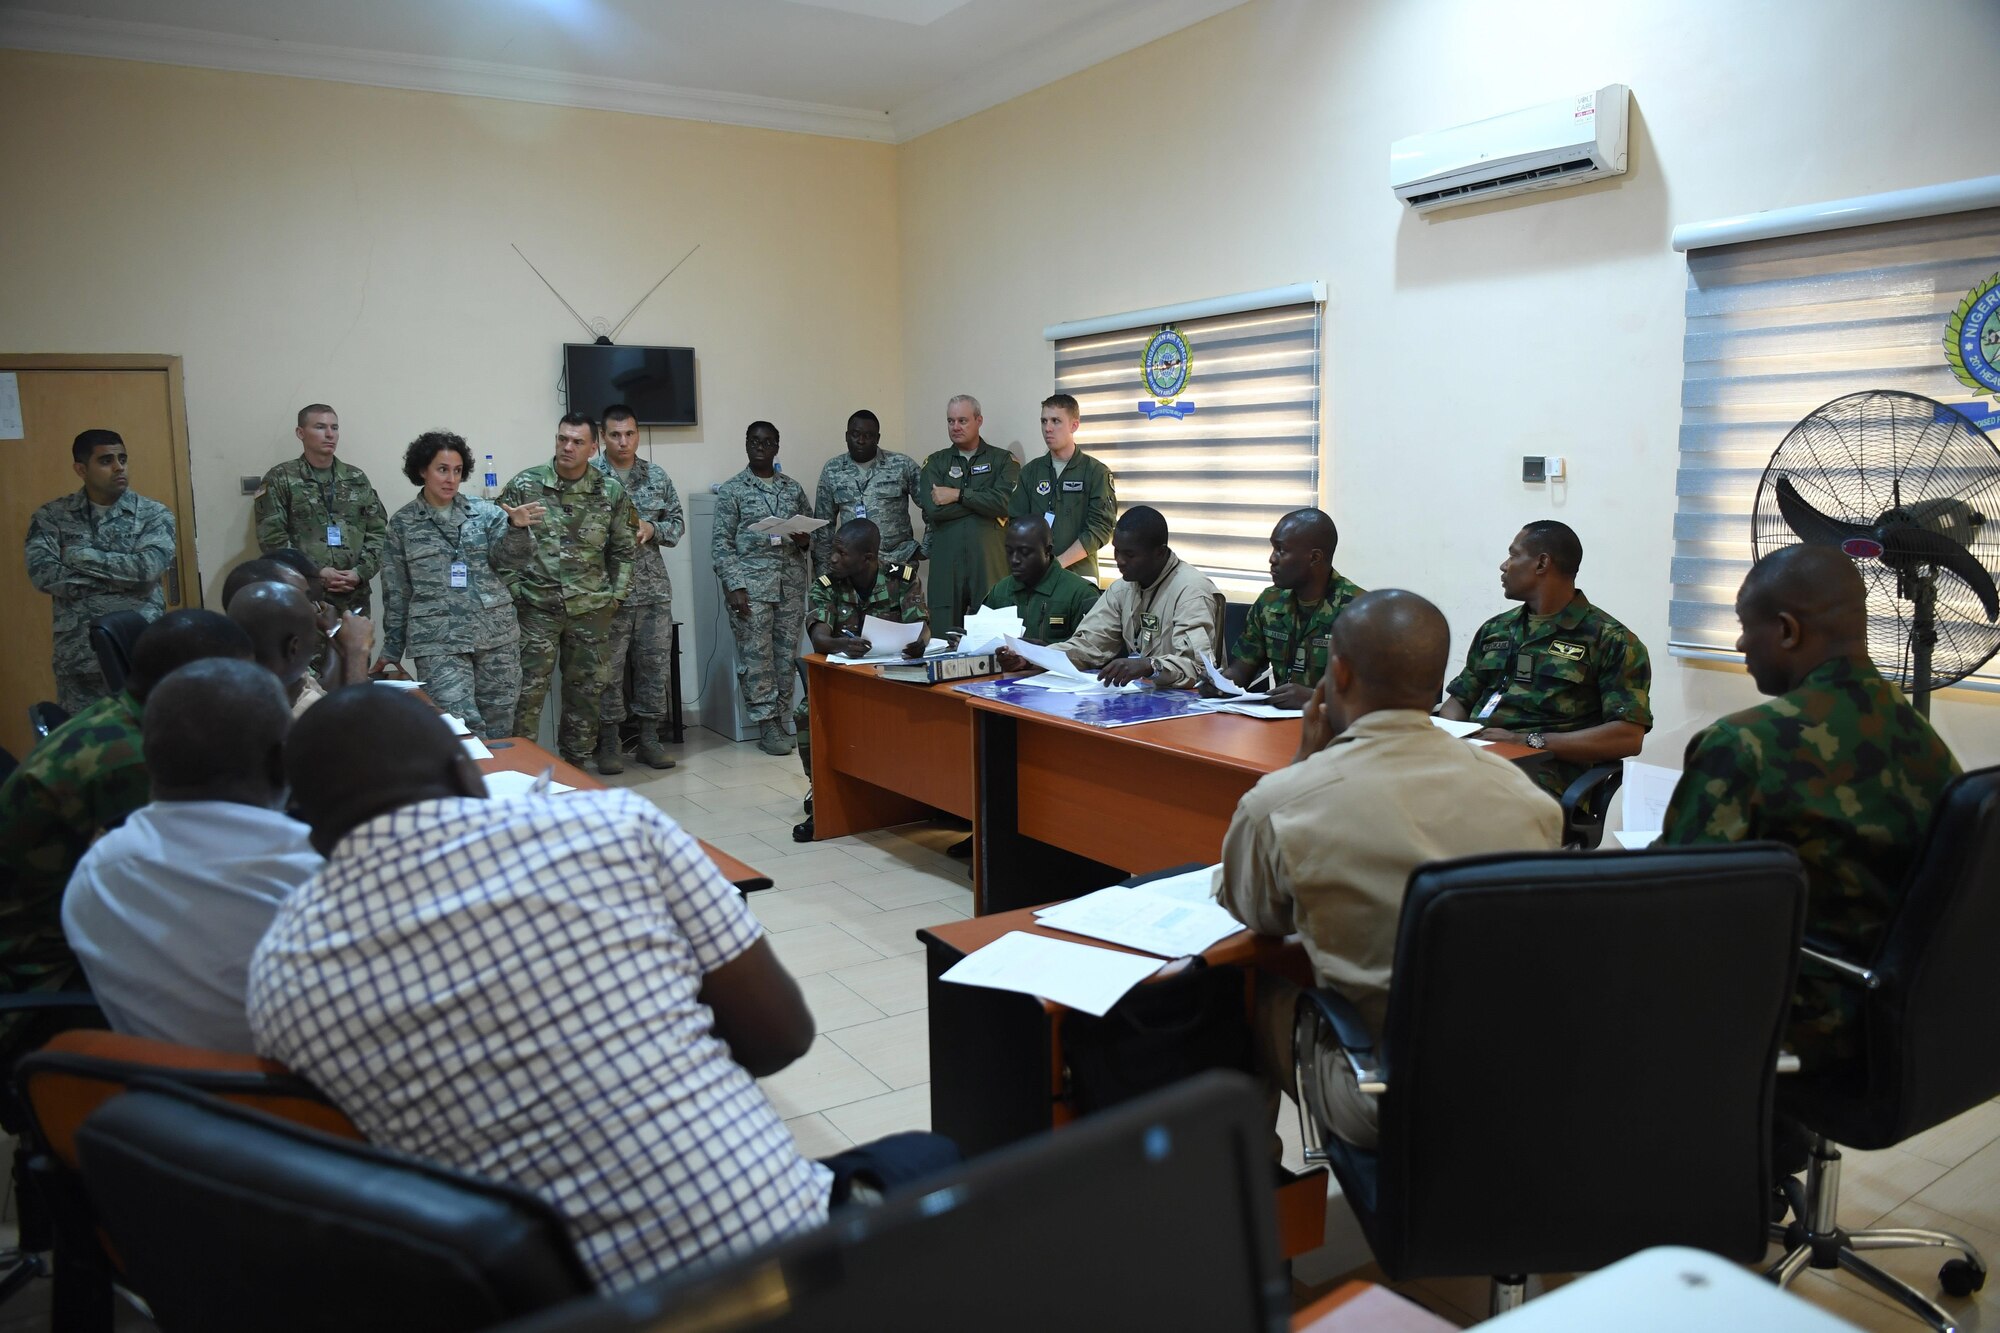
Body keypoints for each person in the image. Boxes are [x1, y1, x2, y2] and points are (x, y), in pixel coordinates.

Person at [248, 687, 958, 1292]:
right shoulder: (609, 824)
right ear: (465, 772)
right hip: (773, 1265)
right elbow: (780, 1038)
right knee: (934, 1158)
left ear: (307, 826)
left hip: (552, 1303)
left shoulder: (283, 970)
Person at [1217, 590, 1563, 1149]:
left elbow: (1253, 912)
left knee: (1232, 986)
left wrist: (1306, 763)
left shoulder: (1286, 800)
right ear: (1436, 684)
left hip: (1381, 1092)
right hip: (1509, 1075)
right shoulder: (1527, 797)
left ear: (1339, 675)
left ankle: (1256, 1199)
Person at [1660, 545, 1960, 1071]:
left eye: (1744, 626)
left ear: (1787, 631)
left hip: (1809, 1020)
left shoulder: (1744, 744)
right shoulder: (1922, 739)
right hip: (1916, 1017)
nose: (1738, 643)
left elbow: (1674, 902)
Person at [62, 658, 318, 1052]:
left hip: (157, 1100)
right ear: (281, 761)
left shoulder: (94, 874)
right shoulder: (317, 873)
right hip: (298, 1102)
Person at [0, 610, 255, 999]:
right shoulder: (129, 762)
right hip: (45, 977)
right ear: (199, 685)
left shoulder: (122, 720)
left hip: (72, 942)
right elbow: (187, 892)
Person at [1437, 520, 1651, 798]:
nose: (1504, 565)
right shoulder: (1495, 630)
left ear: (1541, 564)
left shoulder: (1611, 640)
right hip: (1478, 757)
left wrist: (1525, 740)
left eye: (1513, 555)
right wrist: (1454, 737)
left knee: (1466, 801)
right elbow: (1460, 699)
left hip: (1547, 773)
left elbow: (1627, 736)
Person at [493, 413, 638, 770]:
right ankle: (520, 771)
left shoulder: (609, 491)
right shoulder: (524, 485)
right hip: (536, 609)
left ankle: (575, 767)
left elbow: (623, 549)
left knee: (586, 694)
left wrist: (615, 598)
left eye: (576, 442)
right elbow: (497, 543)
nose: (567, 447)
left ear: (593, 447)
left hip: (590, 610)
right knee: (526, 694)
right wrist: (515, 590)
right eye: (562, 439)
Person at [373, 430, 522, 740]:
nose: (451, 479)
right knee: (459, 730)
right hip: (437, 642)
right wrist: (391, 648)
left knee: (500, 730)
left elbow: (513, 561)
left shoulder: (486, 514)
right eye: (442, 469)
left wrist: (517, 529)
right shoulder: (403, 524)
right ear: (422, 470)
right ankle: (466, 787)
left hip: (495, 638)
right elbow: (397, 592)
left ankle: (499, 787)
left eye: (457, 471)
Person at [790, 519, 929, 842]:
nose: (833, 559)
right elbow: (820, 637)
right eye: (833, 551)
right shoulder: (827, 584)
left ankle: (923, 795)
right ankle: (822, 790)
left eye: (841, 553)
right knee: (804, 714)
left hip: (894, 676)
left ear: (868, 557)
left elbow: (921, 624)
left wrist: (920, 641)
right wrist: (841, 644)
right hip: (845, 677)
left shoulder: (902, 578)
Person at [24, 428, 178, 714]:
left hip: (140, 652)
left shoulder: (153, 514)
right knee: (85, 747)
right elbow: (44, 575)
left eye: (122, 458)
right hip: (79, 658)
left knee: (149, 741)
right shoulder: (52, 517)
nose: (119, 466)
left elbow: (148, 568)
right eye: (106, 460)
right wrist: (125, 580)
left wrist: (81, 557)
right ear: (80, 469)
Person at [1003, 506, 1220, 687]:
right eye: (1117, 551)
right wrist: (1033, 658)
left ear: (1160, 553)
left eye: (1130, 554)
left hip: (1189, 704)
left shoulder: (1192, 591)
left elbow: (1198, 668)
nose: (1120, 561)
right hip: (1147, 699)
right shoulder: (1122, 589)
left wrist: (1149, 666)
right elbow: (1088, 645)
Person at [592, 404, 684, 772]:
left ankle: (648, 739)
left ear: (638, 435)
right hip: (607, 593)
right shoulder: (589, 477)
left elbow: (676, 524)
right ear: (602, 437)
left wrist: (653, 528)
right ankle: (611, 743)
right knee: (608, 672)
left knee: (653, 666)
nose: (623, 441)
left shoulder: (656, 476)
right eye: (615, 434)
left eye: (629, 433)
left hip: (652, 591)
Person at [713, 421, 813, 757]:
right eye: (755, 441)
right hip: (752, 588)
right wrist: (735, 585)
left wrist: (804, 539)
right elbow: (721, 544)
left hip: (790, 586)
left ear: (776, 447)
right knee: (757, 659)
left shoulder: (793, 488)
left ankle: (781, 718)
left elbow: (810, 535)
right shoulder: (733, 490)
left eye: (768, 442)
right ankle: (767, 725)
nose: (761, 447)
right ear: (746, 444)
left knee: (785, 657)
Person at [1219, 509, 1365, 709]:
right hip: (1278, 724)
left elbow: (1379, 697)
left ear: (1314, 558)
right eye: (1273, 549)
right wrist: (1220, 683)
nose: (1272, 559)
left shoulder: (1360, 611)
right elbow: (1242, 669)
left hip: (1338, 731)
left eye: (1281, 550)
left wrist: (1315, 698)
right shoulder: (1270, 601)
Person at [254, 404, 387, 620]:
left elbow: (378, 532)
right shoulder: (280, 478)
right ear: (300, 433)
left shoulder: (356, 478)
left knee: (356, 653)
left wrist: (360, 572)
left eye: (334, 428)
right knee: (304, 654)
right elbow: (271, 538)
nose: (329, 434)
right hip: (305, 596)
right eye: (320, 427)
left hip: (353, 597)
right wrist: (315, 572)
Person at [917, 395, 1019, 635]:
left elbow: (1005, 503)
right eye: (950, 421)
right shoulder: (936, 462)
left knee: (993, 639)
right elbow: (933, 509)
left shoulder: (1002, 460)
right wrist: (984, 502)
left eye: (962, 420)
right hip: (946, 564)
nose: (955, 427)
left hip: (988, 562)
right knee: (943, 640)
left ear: (979, 420)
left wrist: (957, 495)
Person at [1009, 394, 1116, 582]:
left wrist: (1057, 564)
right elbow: (1017, 522)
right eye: (1044, 421)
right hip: (1036, 576)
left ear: (1074, 425)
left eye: (1056, 421)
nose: (1047, 428)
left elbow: (1100, 528)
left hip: (1079, 577)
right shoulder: (1030, 473)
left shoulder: (1096, 472)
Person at [810, 409, 922, 577]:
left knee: (902, 604)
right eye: (855, 434)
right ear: (847, 436)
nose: (861, 440)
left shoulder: (901, 465)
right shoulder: (832, 469)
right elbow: (823, 527)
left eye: (868, 435)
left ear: (877, 438)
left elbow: (932, 505)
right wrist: (825, 575)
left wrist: (927, 547)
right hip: (852, 567)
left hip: (896, 563)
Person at [230, 580, 354, 715]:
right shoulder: (308, 714)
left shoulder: (222, 692)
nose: (316, 608)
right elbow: (357, 731)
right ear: (294, 648)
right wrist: (356, 654)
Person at [979, 515, 1101, 644]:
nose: (1014, 559)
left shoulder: (1081, 594)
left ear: (1047, 551)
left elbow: (1095, 651)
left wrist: (1046, 651)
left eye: (1025, 552)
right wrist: (962, 639)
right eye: (1009, 551)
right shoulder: (1000, 591)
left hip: (1055, 664)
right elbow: (981, 643)